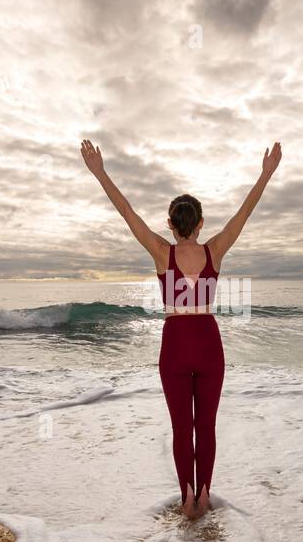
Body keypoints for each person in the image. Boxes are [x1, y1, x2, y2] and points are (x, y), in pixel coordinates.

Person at [80, 139, 282, 519]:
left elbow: (126, 211)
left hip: (174, 345)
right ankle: (205, 496)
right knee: (205, 425)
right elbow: (245, 212)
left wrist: (99, 172)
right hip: (207, 341)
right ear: (200, 223)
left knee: (180, 427)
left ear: (170, 224)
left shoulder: (161, 251)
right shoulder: (215, 250)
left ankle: (187, 500)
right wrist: (265, 173)